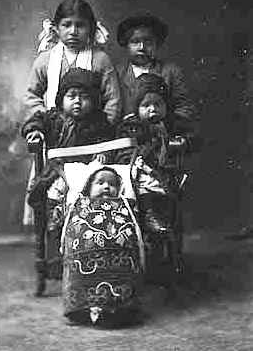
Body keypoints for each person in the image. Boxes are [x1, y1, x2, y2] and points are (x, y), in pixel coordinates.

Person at [21, 68, 115, 293]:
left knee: (98, 189)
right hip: (60, 171)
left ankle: (94, 245)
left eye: (84, 98)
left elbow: (110, 137)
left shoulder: (99, 121)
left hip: (86, 173)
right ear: (61, 99)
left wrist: (104, 153)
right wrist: (35, 132)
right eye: (71, 96)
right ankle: (56, 219)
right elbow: (35, 121)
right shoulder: (52, 118)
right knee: (55, 191)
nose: (77, 102)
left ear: (93, 101)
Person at [115, 73, 198, 280]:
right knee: (135, 179)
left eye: (158, 104)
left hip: (164, 174)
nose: (153, 109)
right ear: (137, 109)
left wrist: (182, 142)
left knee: (154, 182)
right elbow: (122, 150)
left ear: (166, 106)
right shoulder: (131, 126)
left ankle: (154, 219)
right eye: (146, 105)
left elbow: (193, 138)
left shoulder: (172, 124)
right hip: (138, 170)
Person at [60, 166, 144, 326]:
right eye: (100, 182)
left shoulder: (125, 204)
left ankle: (117, 309)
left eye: (112, 184)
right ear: (88, 187)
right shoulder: (79, 204)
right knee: (80, 272)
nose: (106, 186)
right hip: (84, 258)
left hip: (119, 257)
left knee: (122, 273)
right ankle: (83, 308)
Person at [25, 0, 121, 124]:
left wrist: (103, 127)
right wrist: (47, 121)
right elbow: (31, 96)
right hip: (54, 132)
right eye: (67, 25)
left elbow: (113, 99)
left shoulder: (100, 59)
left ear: (91, 29)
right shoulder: (45, 60)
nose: (73, 32)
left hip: (92, 132)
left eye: (80, 25)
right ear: (56, 28)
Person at [116, 14, 195, 132]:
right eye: (135, 42)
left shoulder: (171, 72)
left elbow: (184, 109)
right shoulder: (117, 74)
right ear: (126, 44)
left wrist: (165, 126)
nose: (142, 47)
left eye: (148, 42)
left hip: (164, 135)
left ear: (156, 44)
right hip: (127, 137)